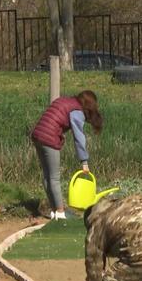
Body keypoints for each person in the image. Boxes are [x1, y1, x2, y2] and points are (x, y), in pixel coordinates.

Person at [30, 90, 103, 220]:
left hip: (37, 135)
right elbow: (78, 137)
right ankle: (60, 212)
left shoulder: (65, 101)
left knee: (47, 176)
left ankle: (55, 211)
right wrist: (84, 162)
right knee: (54, 178)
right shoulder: (77, 111)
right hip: (49, 138)